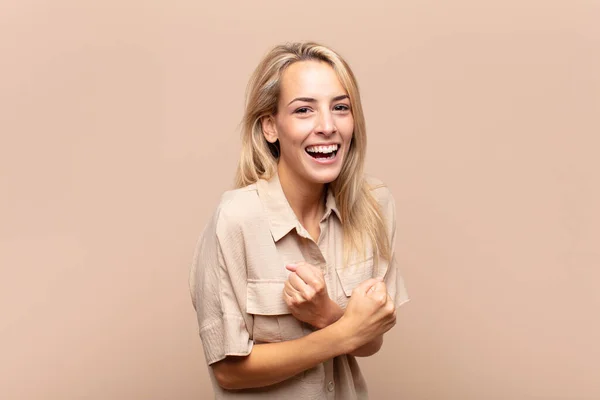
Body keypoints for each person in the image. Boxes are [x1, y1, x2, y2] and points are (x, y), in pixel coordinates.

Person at [189, 41, 409, 399]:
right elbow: (229, 372)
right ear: (270, 127)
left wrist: (325, 313)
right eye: (304, 110)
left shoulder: (376, 207)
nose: (327, 126)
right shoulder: (236, 219)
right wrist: (340, 334)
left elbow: (370, 341)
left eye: (340, 107)